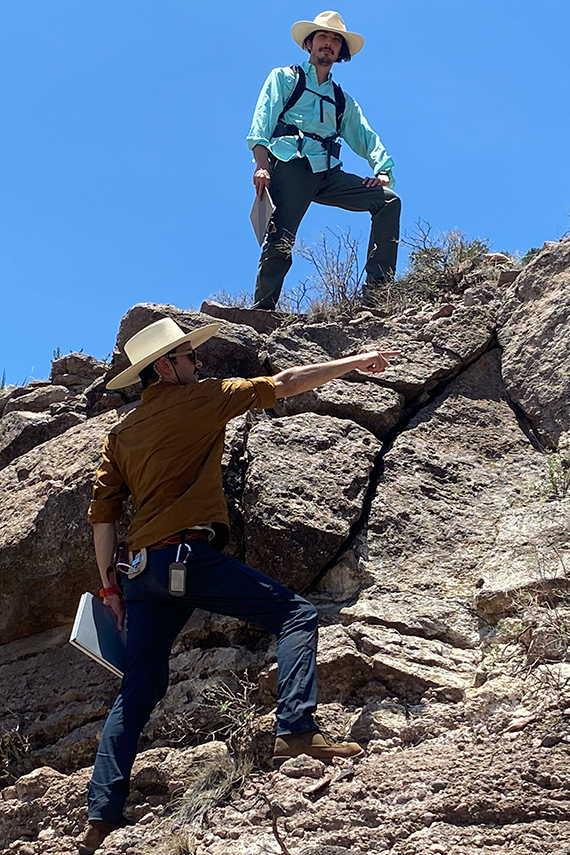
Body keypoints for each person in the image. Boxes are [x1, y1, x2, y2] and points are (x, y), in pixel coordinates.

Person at [80, 316, 399, 854]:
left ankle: (100, 818)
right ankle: (297, 729)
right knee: (296, 615)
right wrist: (354, 363)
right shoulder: (204, 398)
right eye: (187, 356)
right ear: (165, 366)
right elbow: (286, 381)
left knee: (136, 692)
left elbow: (102, 516)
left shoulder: (121, 434)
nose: (196, 362)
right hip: (186, 558)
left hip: (144, 577)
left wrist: (110, 591)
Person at [248, 10, 401, 311]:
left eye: (335, 40)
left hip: (329, 172)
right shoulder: (285, 78)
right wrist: (262, 164)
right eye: (323, 37)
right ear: (309, 44)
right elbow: (261, 122)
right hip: (291, 165)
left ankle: (377, 295)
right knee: (281, 241)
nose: (328, 44)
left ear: (341, 51)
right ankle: (261, 315)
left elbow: (365, 135)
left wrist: (383, 170)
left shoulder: (341, 99)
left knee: (387, 201)